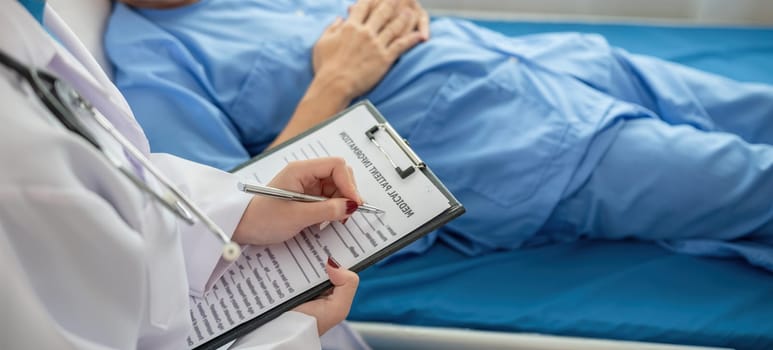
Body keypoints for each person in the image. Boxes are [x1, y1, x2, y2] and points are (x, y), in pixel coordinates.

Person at [106, 0, 773, 271]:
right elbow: (234, 219)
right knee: (752, 180)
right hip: (522, 153)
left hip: (558, 66)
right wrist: (332, 84)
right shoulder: (152, 64)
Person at [0, 1, 369, 349]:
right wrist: (287, 334)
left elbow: (123, 175)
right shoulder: (21, 168)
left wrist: (241, 211)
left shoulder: (27, 22)